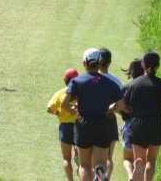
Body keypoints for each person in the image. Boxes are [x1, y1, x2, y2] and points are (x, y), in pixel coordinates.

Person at [61, 48, 125, 181]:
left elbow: (63, 102)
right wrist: (108, 109)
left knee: (84, 165)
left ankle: (95, 172)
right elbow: (121, 104)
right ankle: (100, 170)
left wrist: (71, 110)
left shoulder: (77, 81)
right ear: (100, 63)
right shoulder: (110, 83)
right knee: (101, 162)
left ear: (84, 63)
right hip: (102, 123)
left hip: (84, 123)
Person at [124, 50, 161, 181]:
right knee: (151, 160)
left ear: (142, 65)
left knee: (139, 159)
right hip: (156, 123)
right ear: (158, 66)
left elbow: (124, 105)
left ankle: (138, 171)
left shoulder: (133, 84)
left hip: (138, 123)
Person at [47, 68, 80, 181]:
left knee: (66, 158)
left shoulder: (60, 93)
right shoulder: (82, 92)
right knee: (79, 156)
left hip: (65, 127)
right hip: (79, 127)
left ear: (64, 80)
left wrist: (58, 113)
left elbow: (49, 109)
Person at [99, 47, 123, 180]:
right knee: (108, 157)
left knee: (92, 156)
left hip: (92, 121)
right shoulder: (116, 82)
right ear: (109, 62)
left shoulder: (89, 80)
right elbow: (121, 105)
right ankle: (106, 177)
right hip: (109, 121)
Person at [120, 58, 144, 181]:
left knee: (127, 159)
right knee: (141, 159)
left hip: (129, 125)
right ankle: (139, 174)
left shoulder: (126, 88)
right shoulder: (148, 88)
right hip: (145, 125)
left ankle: (130, 176)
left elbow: (120, 107)